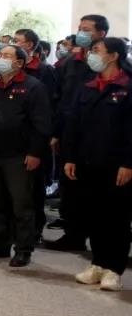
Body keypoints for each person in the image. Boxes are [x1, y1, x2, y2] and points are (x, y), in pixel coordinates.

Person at [64, 37, 132, 292]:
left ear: (113, 56)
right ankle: (98, 262)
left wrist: (128, 162)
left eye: (96, 50)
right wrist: (71, 157)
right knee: (93, 214)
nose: (91, 54)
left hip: (117, 164)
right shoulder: (89, 86)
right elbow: (73, 123)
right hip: (87, 160)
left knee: (116, 217)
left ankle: (114, 268)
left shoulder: (127, 86)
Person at [0, 45, 51, 267]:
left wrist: (35, 152)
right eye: (0, 55)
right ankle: (0, 243)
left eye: (7, 56)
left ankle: (23, 249)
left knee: (21, 205)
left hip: (20, 155)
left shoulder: (33, 87)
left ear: (19, 62)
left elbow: (41, 123)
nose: (0, 58)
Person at [49, 14, 109, 252]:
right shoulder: (70, 63)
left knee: (95, 189)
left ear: (101, 34)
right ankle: (73, 235)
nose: (80, 33)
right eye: (79, 28)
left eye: (86, 29)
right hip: (69, 133)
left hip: (97, 137)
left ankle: (101, 242)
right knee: (70, 185)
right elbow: (59, 98)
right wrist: (56, 132)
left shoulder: (107, 62)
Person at [15, 28, 59, 238]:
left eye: (18, 41)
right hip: (14, 137)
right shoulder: (13, 70)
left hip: (34, 135)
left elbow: (49, 105)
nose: (14, 44)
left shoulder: (43, 70)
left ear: (30, 45)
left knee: (34, 186)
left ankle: (35, 228)